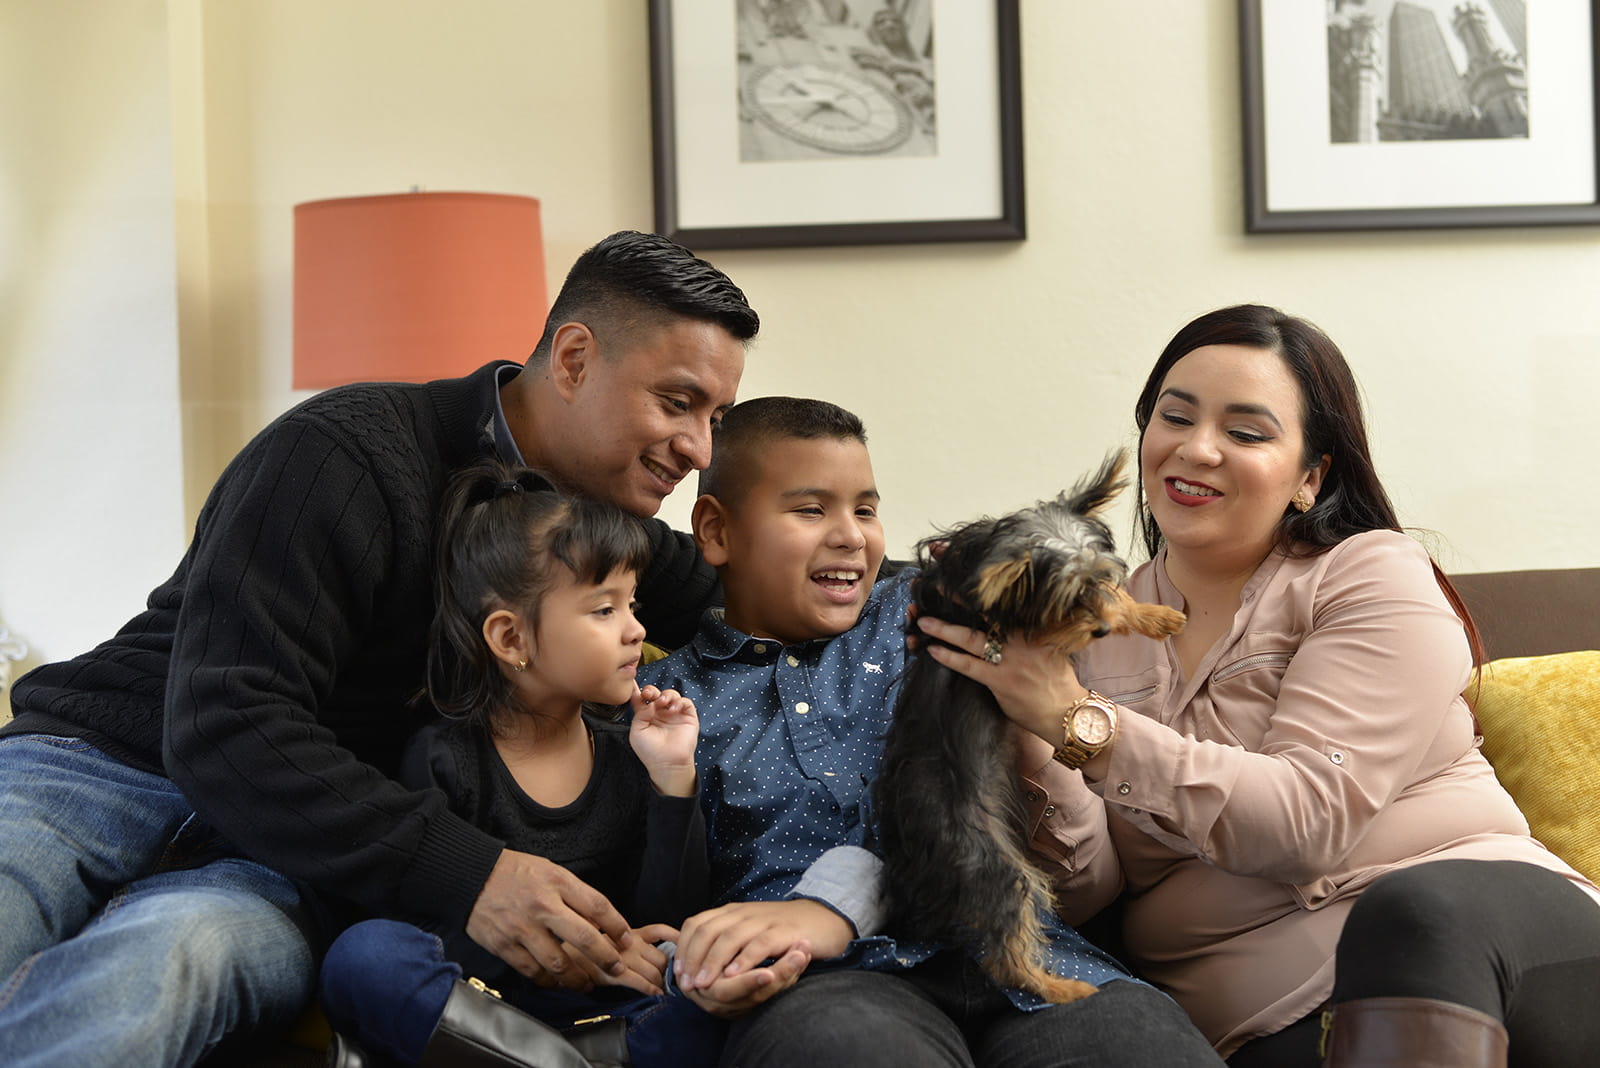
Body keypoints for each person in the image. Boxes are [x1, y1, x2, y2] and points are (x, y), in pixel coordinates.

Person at [0, 230, 757, 1067]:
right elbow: (226, 717)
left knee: (156, 974)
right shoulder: (347, 449)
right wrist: (471, 871)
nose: (701, 450)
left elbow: (774, 588)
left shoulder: (607, 545)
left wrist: (921, 593)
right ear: (574, 359)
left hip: (287, 862)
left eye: (715, 418)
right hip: (101, 763)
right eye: (678, 402)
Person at [916, 304, 1600, 1067]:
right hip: (1260, 1021)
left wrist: (1078, 719)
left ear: (1310, 476)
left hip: (1491, 943)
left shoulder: (1370, 575)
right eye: (1174, 418)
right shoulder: (1088, 627)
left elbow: (1308, 819)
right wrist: (1023, 718)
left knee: (1414, 912)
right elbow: (1086, 891)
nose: (1196, 449)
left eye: (1245, 432)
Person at [639, 396, 1224, 1068]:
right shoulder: (669, 702)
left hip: (1026, 953)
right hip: (826, 981)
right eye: (810, 509)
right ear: (714, 532)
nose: (851, 535)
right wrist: (692, 954)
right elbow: (664, 903)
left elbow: (1035, 571)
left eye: (865, 509)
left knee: (1137, 1046)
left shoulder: (925, 612)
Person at [318, 461, 721, 1067]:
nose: (637, 629)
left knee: (717, 986)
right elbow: (431, 928)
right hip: (483, 1007)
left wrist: (670, 778)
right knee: (366, 955)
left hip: (607, 1011)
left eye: (633, 605)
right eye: (603, 610)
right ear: (511, 639)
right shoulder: (446, 757)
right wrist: (576, 958)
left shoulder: (625, 752)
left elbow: (665, 921)